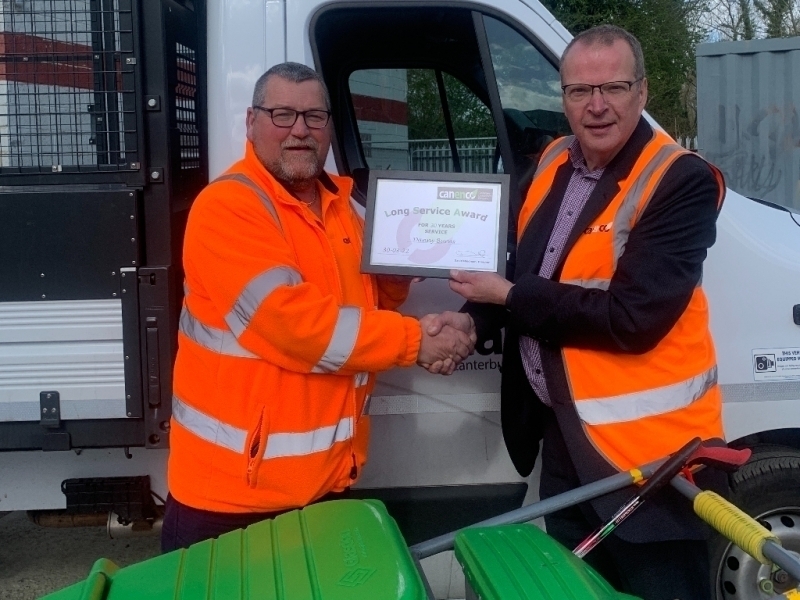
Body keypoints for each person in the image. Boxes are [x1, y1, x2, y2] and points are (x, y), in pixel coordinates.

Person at [434, 25, 726, 600]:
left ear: (642, 93)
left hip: (648, 459)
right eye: (578, 91)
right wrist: (472, 319)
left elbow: (633, 318)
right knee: (575, 589)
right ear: (562, 96)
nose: (596, 106)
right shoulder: (551, 162)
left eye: (613, 87)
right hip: (564, 441)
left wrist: (509, 298)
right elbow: (523, 269)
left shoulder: (680, 179)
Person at [162, 62, 476, 552]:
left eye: (313, 116)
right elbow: (294, 325)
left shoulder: (343, 208)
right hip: (232, 500)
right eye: (282, 115)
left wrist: (395, 276)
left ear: (330, 125)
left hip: (325, 485)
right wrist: (419, 340)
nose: (299, 131)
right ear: (251, 122)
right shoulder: (228, 207)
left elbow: (367, 302)